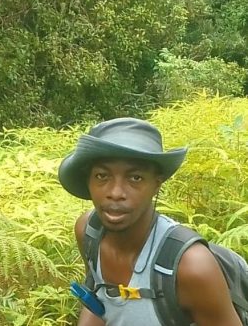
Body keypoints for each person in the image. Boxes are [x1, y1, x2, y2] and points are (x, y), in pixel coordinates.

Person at [58, 117, 241, 325]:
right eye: (102, 176)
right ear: (88, 181)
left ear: (157, 184)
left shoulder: (191, 267)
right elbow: (98, 302)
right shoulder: (89, 232)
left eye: (135, 178)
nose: (116, 193)